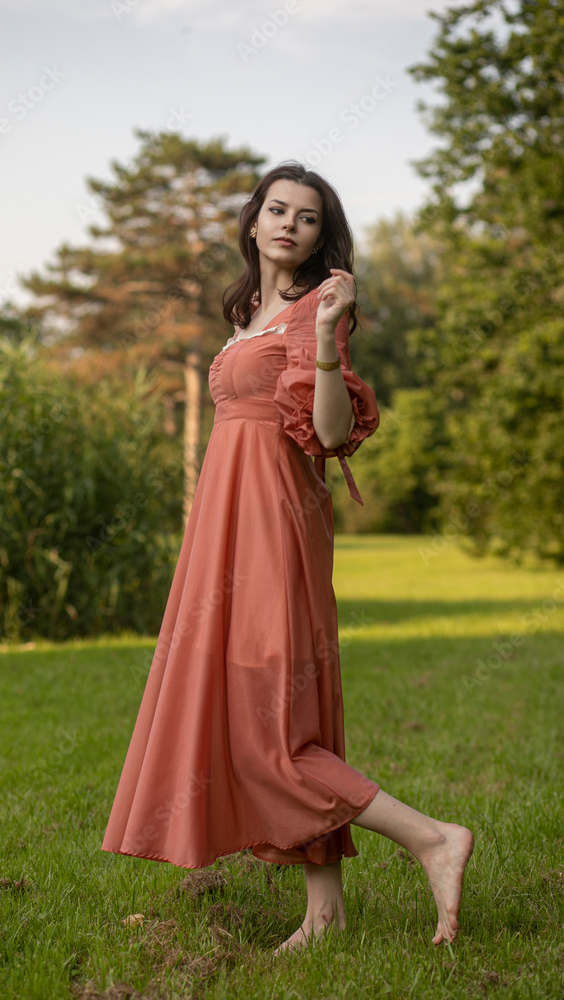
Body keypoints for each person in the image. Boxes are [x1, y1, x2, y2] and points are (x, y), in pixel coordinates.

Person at [101, 161, 474, 956]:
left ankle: (431, 838)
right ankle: (325, 913)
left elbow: (333, 434)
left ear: (320, 236)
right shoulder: (246, 311)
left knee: (266, 730)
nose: (288, 225)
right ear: (252, 220)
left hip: (273, 527)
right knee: (269, 712)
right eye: (277, 210)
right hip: (224, 530)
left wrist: (329, 348)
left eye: (306, 218)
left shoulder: (317, 311)